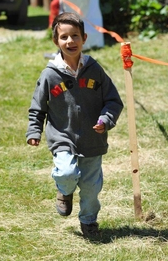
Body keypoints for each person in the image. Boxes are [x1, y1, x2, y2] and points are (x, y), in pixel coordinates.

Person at [26, 12, 123, 237]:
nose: (70, 41)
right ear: (56, 41)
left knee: (91, 187)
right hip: (62, 135)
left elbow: (113, 100)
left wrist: (106, 120)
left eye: (75, 36)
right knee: (66, 172)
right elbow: (37, 106)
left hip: (92, 139)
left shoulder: (95, 70)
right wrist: (34, 130)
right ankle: (65, 191)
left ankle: (89, 221)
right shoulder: (50, 75)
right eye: (64, 37)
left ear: (84, 38)